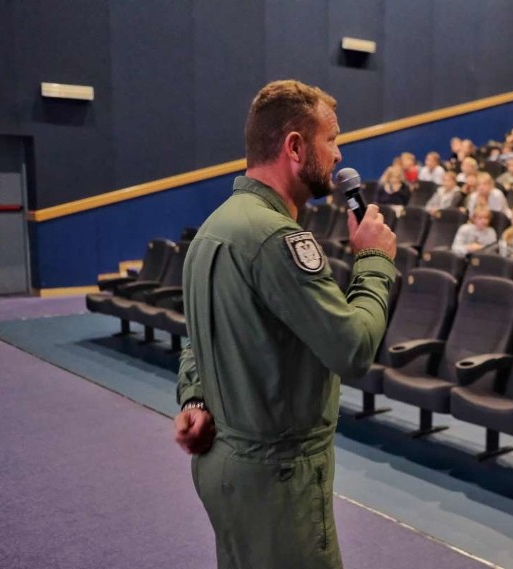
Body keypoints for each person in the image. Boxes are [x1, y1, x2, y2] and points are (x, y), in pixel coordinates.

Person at [173, 79, 397, 569]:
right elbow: (353, 350)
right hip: (278, 479)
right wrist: (375, 261)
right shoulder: (276, 237)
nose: (338, 156)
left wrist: (194, 396)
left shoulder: (214, 227)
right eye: (332, 139)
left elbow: (198, 335)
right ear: (295, 147)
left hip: (223, 464)